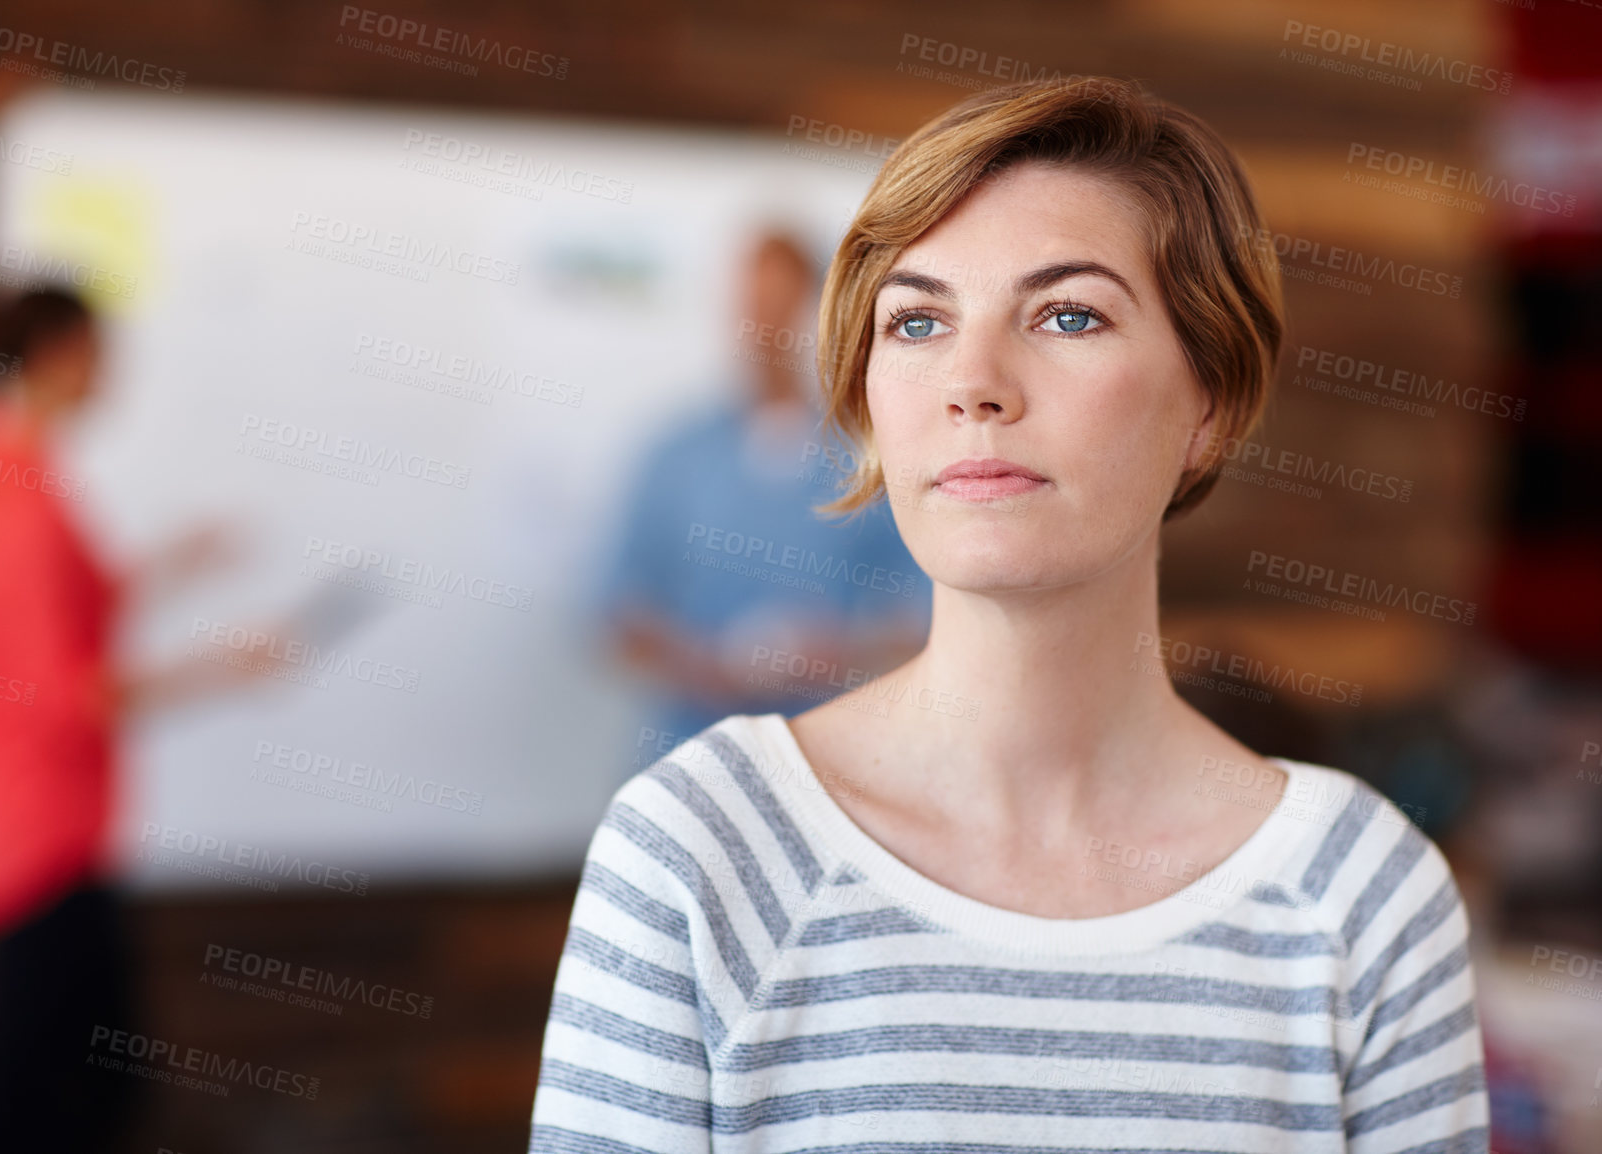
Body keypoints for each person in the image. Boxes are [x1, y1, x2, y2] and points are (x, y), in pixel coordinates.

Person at [530, 77, 1489, 1152]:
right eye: (919, 320)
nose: (971, 382)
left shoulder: (1364, 898)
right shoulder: (689, 853)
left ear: (1208, 403)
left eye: (1067, 314)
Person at [0, 287, 245, 1153]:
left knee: (85, 1083)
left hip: (29, 823)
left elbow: (69, 610)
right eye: (102, 352)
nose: (114, 374)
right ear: (61, 351)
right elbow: (74, 696)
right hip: (37, 834)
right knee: (40, 1101)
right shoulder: (15, 504)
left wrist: (175, 564)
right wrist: (229, 668)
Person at [597, 229, 930, 765]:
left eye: (780, 308)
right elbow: (618, 608)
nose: (764, 330)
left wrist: (843, 653)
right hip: (692, 751)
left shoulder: (867, 461)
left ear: (815, 316)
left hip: (827, 757)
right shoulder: (676, 455)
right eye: (752, 309)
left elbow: (922, 610)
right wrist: (699, 666)